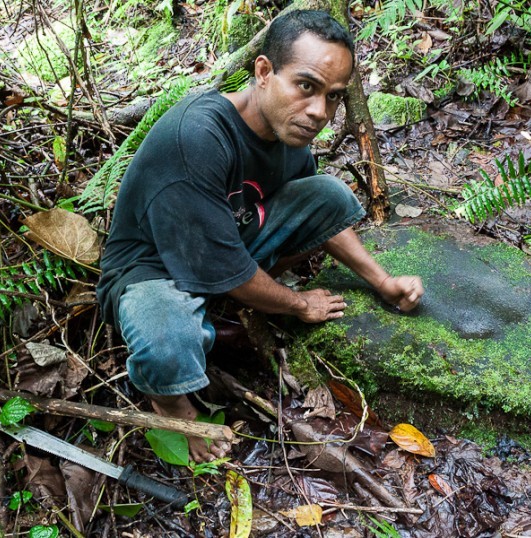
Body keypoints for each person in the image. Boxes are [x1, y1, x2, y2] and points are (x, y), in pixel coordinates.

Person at [96, 9, 424, 462]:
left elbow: (309, 204)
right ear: (264, 72)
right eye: (306, 86)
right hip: (155, 270)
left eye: (333, 97)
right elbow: (228, 270)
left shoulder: (289, 131)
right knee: (167, 341)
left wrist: (383, 282)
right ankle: (175, 406)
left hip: (230, 235)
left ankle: (242, 299)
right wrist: (298, 304)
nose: (319, 112)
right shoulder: (197, 136)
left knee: (327, 192)